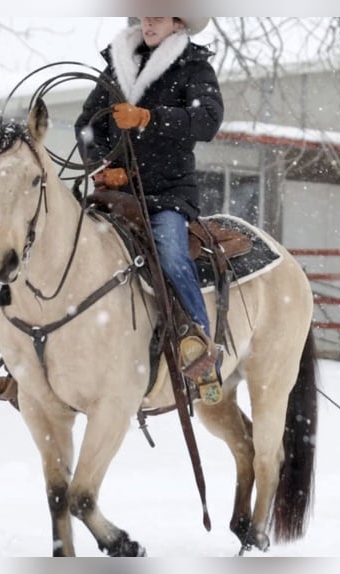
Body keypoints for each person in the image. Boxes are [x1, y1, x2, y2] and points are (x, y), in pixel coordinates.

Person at [74, 17, 225, 405]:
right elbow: (87, 126)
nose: (148, 22)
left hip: (167, 194)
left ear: (178, 21)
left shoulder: (193, 65)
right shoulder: (117, 64)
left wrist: (150, 118)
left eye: (158, 14)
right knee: (69, 245)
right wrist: (102, 166)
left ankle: (200, 347)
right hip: (117, 191)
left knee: (173, 256)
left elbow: (207, 121)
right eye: (143, 14)